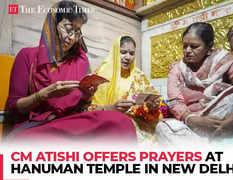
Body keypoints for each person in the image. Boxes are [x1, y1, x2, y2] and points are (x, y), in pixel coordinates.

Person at [5, 1, 136, 145]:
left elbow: (83, 109)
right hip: (39, 126)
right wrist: (41, 95)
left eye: (77, 31)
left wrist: (88, 96)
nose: (72, 37)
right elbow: (13, 108)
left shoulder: (81, 61)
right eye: (68, 29)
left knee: (121, 123)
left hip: (71, 122)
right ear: (52, 25)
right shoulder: (27, 56)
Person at [156, 22, 233, 146]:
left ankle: (202, 145)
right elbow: (175, 101)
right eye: (185, 46)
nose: (187, 51)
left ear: (208, 48)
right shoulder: (177, 68)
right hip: (193, 121)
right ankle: (207, 144)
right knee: (162, 127)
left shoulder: (224, 60)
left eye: (194, 46)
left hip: (221, 115)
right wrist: (193, 119)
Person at [92, 36, 162, 145]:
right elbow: (89, 108)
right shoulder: (101, 74)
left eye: (131, 53)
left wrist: (152, 106)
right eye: (123, 52)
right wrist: (110, 108)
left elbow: (154, 97)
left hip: (137, 124)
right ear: (115, 52)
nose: (128, 57)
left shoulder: (138, 75)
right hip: (106, 121)